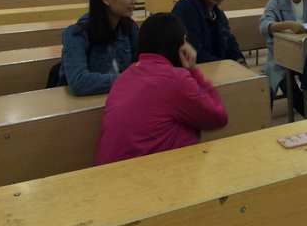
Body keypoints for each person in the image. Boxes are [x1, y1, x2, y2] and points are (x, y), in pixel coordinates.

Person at [96, 13, 228, 165]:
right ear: (181, 45)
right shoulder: (175, 80)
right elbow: (218, 117)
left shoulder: (125, 76)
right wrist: (193, 70)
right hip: (145, 173)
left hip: (108, 171)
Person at [59, 0, 139, 96]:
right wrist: (127, 80)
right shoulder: (76, 34)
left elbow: (140, 66)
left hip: (120, 98)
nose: (135, 0)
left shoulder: (130, 28)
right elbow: (79, 82)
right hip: (84, 104)